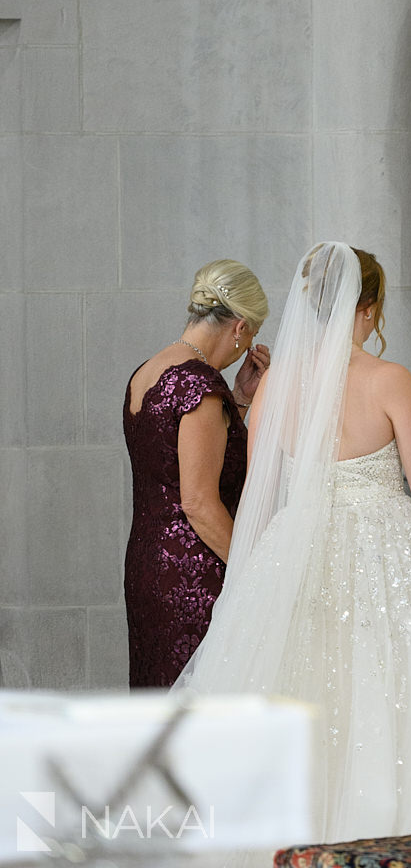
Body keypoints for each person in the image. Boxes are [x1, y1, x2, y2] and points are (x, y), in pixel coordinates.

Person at [175, 243, 411, 842]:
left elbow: (258, 496)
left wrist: (254, 583)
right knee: (393, 703)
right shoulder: (389, 380)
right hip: (389, 553)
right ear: (370, 309)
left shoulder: (275, 387)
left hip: (296, 549)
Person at [123, 259, 270, 687]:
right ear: (239, 327)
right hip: (194, 574)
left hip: (147, 566)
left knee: (161, 704)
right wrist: (255, 567)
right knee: (202, 709)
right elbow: (199, 503)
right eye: (252, 336)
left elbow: (172, 467)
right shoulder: (199, 386)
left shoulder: (146, 372)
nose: (246, 348)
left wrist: (239, 399)